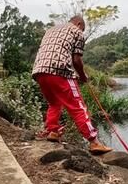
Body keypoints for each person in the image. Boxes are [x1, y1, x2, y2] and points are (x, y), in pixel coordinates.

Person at [31, 15, 113, 154]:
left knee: (54, 103)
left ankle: (53, 132)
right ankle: (94, 142)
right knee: (77, 106)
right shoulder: (77, 31)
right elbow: (76, 60)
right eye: (83, 28)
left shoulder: (51, 30)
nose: (83, 31)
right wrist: (82, 76)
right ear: (79, 24)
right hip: (60, 71)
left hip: (39, 71)